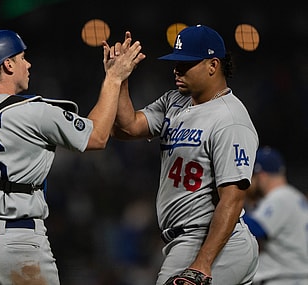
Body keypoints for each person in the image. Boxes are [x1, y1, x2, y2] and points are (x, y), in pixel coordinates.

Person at [0, 29, 145, 284]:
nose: (28, 63)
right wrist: (114, 78)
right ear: (7, 64)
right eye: (22, 57)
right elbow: (98, 137)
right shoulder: (35, 112)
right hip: (21, 243)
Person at [110, 25, 259, 284]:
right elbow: (126, 127)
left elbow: (233, 200)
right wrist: (119, 78)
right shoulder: (174, 101)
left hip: (214, 242)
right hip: (182, 240)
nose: (177, 69)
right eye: (176, 62)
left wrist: (202, 263)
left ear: (213, 65)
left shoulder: (230, 118)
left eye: (186, 63)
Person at [243, 146, 308, 285]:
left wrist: (229, 210)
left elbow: (256, 228)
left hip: (284, 278)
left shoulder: (280, 197)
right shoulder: (293, 195)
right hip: (294, 277)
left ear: (261, 175)